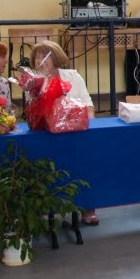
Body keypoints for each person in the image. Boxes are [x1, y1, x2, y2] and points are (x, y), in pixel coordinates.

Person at [29, 41, 99, 225]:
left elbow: (88, 104)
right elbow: (35, 113)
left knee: (86, 159)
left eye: (44, 56)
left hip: (76, 131)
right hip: (48, 134)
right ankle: (46, 206)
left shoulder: (72, 76)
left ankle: (87, 206)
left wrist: (88, 127)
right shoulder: (33, 81)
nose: (40, 60)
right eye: (37, 57)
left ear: (55, 58)